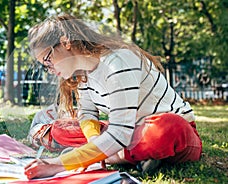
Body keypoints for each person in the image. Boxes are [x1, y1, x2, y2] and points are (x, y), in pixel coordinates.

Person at [24, 14, 202, 179]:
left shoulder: (119, 62)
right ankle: (129, 155)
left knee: (168, 129)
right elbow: (87, 112)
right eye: (44, 65)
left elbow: (120, 133)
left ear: (65, 43)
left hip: (165, 130)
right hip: (127, 130)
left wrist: (57, 164)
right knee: (61, 128)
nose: (49, 69)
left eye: (47, 60)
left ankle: (113, 156)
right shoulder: (82, 73)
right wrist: (94, 140)